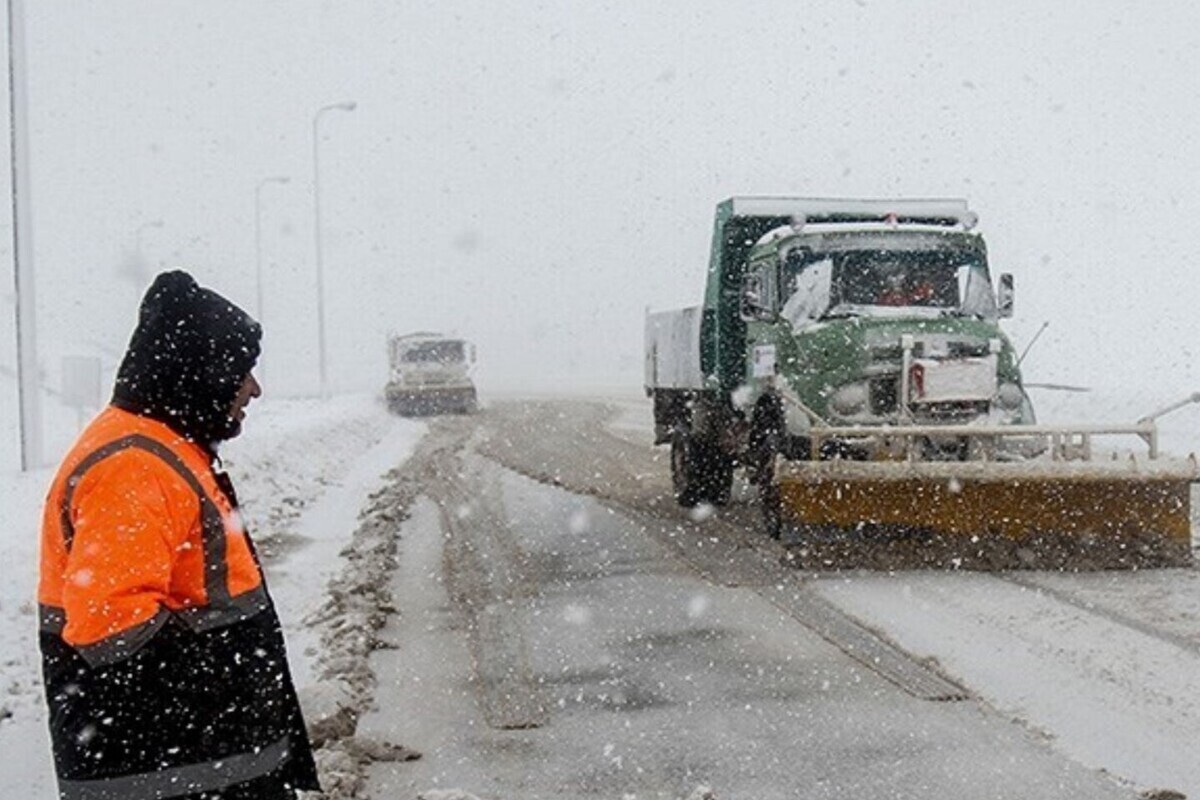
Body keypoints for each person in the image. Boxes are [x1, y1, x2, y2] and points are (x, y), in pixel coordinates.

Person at [38, 270, 320, 800]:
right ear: (203, 371)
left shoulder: (163, 446)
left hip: (197, 771)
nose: (254, 388)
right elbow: (109, 626)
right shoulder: (134, 465)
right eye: (242, 370)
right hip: (173, 776)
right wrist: (227, 689)